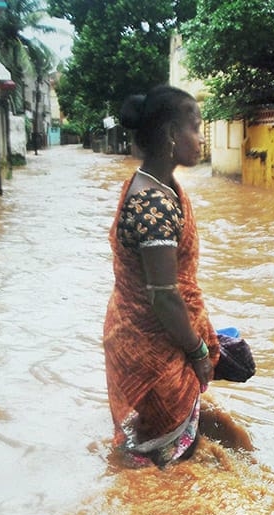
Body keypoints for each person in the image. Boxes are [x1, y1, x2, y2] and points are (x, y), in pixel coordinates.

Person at [103, 85, 217, 468]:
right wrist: (198, 350)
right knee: (168, 469)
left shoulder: (156, 186)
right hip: (152, 348)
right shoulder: (153, 204)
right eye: (196, 127)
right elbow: (164, 295)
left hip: (147, 336)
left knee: (154, 451)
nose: (202, 138)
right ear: (170, 134)